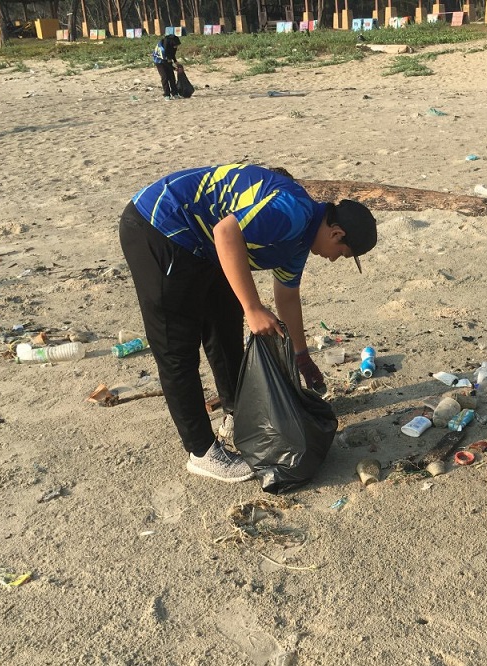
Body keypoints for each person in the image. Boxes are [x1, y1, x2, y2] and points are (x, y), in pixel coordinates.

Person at [119, 164, 377, 483]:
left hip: (204, 245)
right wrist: (253, 307)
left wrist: (301, 355)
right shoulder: (293, 213)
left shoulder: (300, 240)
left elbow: (287, 297)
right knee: (177, 348)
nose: (336, 258)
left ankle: (236, 413)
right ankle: (201, 453)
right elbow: (226, 233)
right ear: (337, 233)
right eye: (343, 252)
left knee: (225, 326)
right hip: (159, 225)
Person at [152, 33, 181, 101]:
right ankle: (167, 94)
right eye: (175, 45)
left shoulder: (172, 46)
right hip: (159, 61)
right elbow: (165, 62)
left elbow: (172, 54)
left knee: (171, 77)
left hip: (167, 60)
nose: (176, 47)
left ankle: (174, 93)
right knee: (165, 77)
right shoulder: (162, 49)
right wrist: (174, 68)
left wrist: (175, 61)